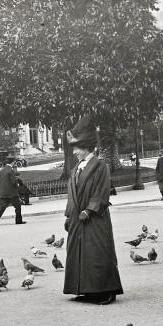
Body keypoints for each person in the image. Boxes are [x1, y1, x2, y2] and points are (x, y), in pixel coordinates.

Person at [63, 114, 122, 305]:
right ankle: (86, 290)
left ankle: (107, 291)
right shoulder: (76, 169)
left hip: (94, 219)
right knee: (79, 254)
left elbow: (102, 192)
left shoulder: (100, 166)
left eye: (77, 149)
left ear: (86, 148)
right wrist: (68, 214)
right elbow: (72, 194)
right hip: (76, 219)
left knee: (98, 253)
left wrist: (89, 210)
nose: (74, 153)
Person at [0, 156, 25, 226]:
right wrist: (17, 186)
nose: (14, 164)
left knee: (3, 206)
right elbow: (13, 182)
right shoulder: (11, 170)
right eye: (14, 162)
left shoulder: (1, 170)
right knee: (18, 206)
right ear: (12, 162)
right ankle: (18, 221)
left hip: (3, 192)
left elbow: (0, 182)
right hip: (11, 192)